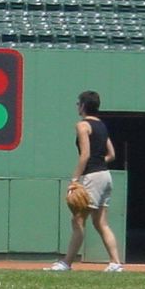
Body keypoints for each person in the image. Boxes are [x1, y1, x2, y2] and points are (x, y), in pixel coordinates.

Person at [46, 90, 123, 273]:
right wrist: (98, 163)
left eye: (78, 103)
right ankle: (116, 263)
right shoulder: (102, 126)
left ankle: (66, 263)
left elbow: (85, 155)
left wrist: (74, 180)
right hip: (106, 176)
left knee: (78, 221)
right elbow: (111, 155)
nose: (77, 106)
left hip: (93, 176)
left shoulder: (82, 126)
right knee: (100, 223)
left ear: (83, 105)